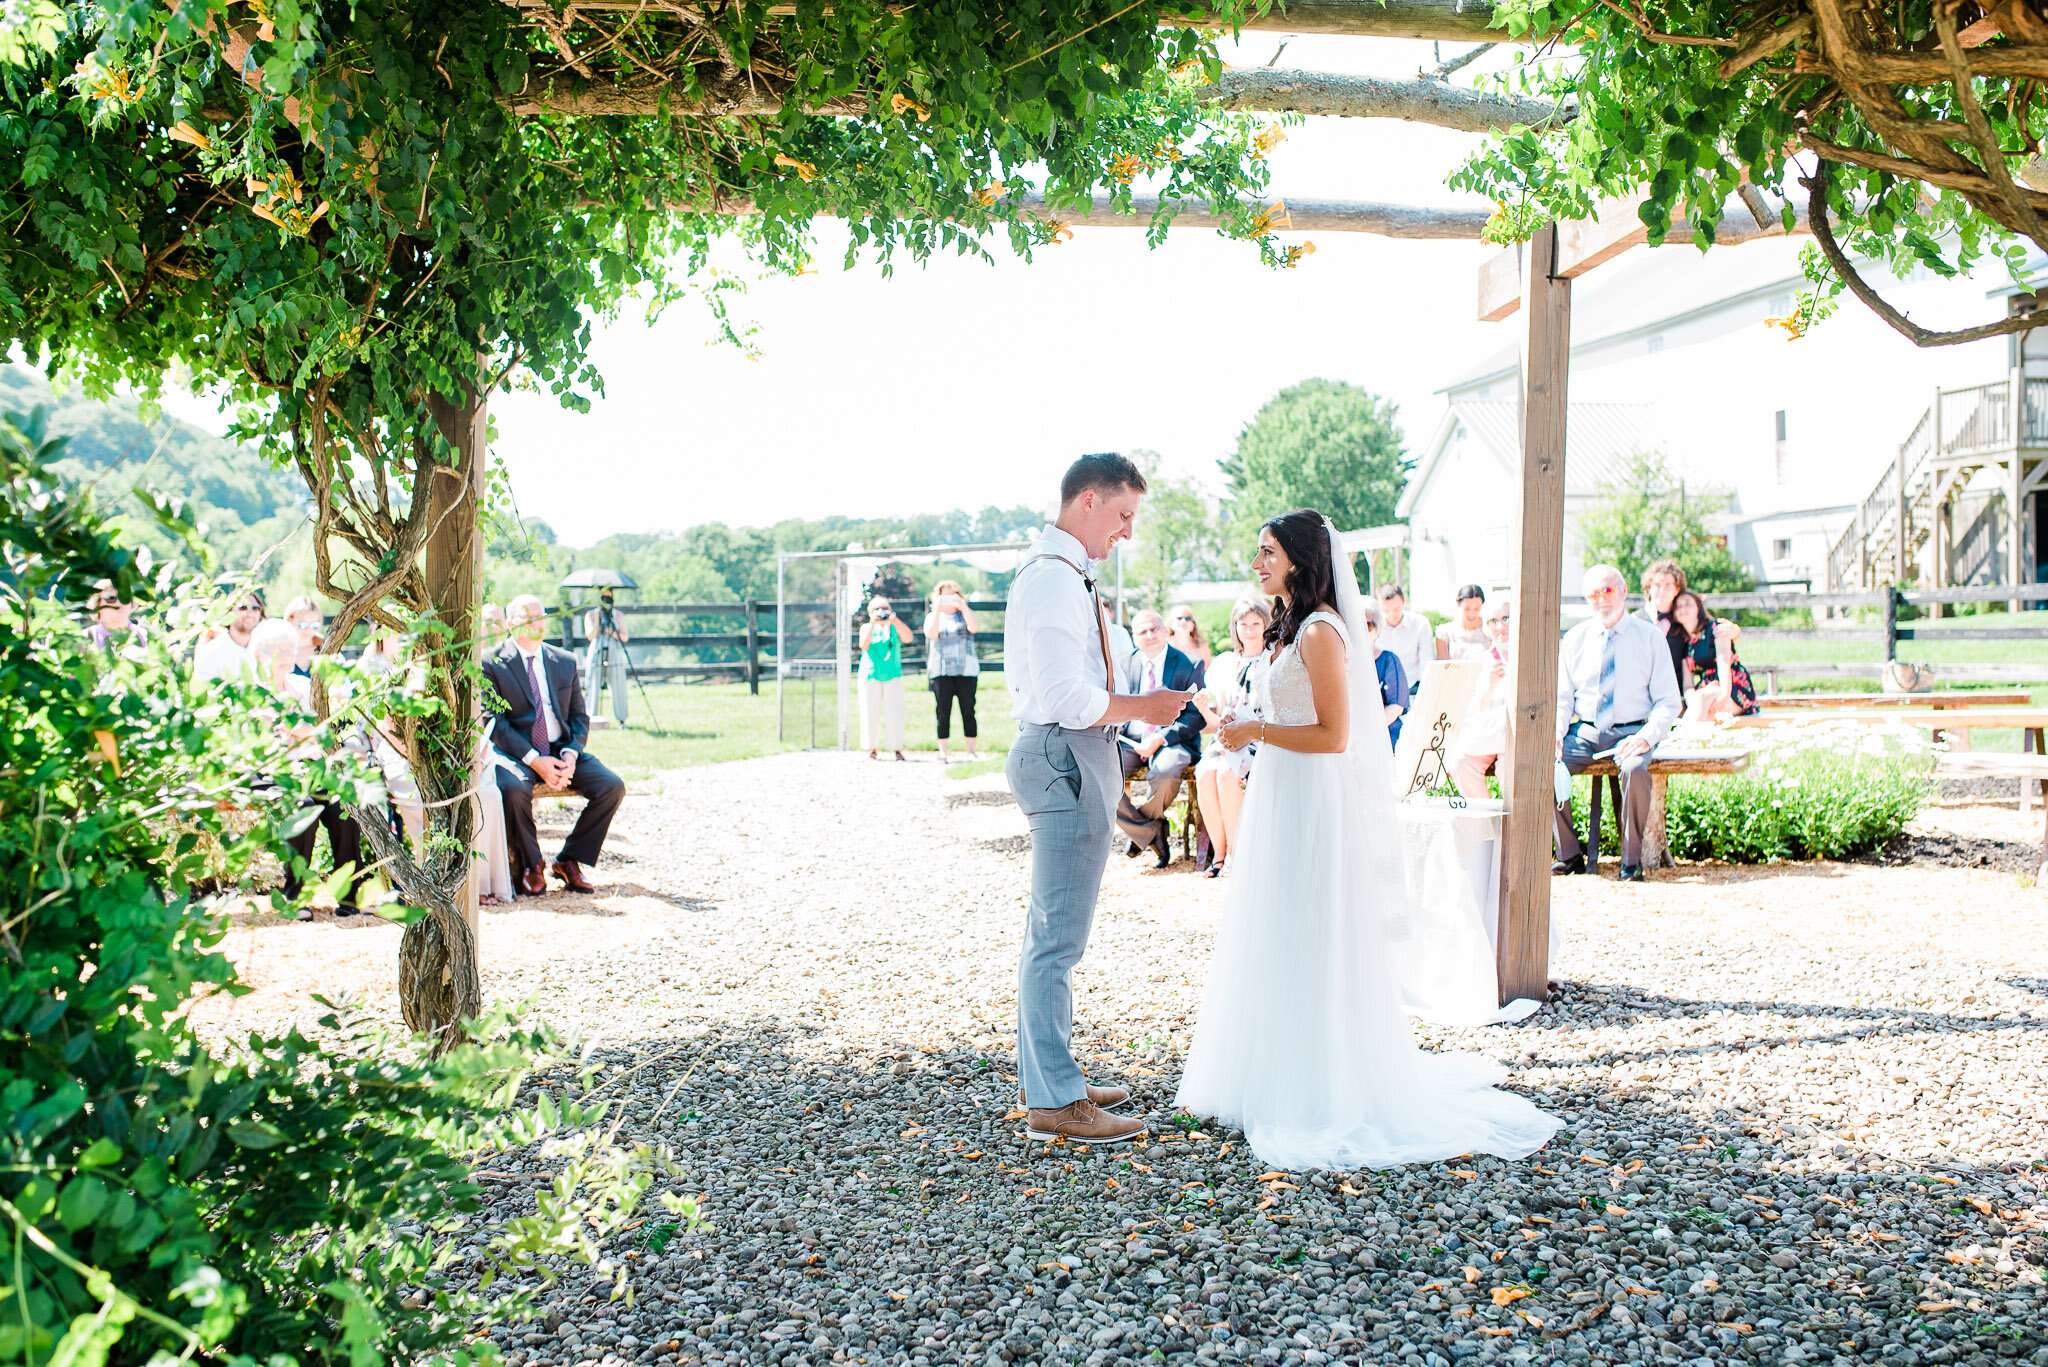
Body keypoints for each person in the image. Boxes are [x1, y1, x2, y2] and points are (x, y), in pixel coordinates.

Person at [1175, 509, 1559, 1169]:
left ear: (1300, 556)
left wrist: (1257, 732)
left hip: (1310, 795)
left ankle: (1318, 1078)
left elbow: (1334, 735)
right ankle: (1267, 1065)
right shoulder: (1285, 626)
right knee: (1274, 923)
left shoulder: (1324, 630)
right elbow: (1289, 710)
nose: (1259, 561)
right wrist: (1246, 721)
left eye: (1269, 551)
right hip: (1279, 791)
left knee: (1309, 924)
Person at [1004, 452, 1192, 1146]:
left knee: (1049, 937)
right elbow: (1065, 698)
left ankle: (1048, 1076)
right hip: (1065, 750)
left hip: (1068, 753)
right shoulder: (1054, 580)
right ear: (1087, 500)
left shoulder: (1063, 577)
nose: (1127, 533)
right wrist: (1145, 704)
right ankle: (1054, 1098)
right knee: (1057, 941)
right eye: (1122, 515)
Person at [484, 594, 627, 896]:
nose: (538, 622)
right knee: (513, 790)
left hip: (561, 749)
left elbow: (579, 716)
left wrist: (571, 754)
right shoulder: (492, 662)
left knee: (612, 786)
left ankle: (569, 859)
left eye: (541, 615)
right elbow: (494, 722)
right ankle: (532, 864)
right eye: (529, 616)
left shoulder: (563, 661)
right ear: (510, 624)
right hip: (516, 753)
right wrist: (535, 759)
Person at [1552, 564, 1682, 882]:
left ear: (1624, 590)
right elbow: (1561, 698)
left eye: (1608, 590)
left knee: (1636, 769)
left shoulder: (1649, 637)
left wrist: (1647, 736)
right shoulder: (1575, 639)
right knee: (1543, 765)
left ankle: (1631, 861)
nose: (1601, 599)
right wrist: (1554, 735)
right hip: (1585, 731)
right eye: (1593, 594)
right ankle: (1569, 855)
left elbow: (1669, 701)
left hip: (1632, 730)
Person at [252, 618, 367, 911]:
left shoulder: (302, 686)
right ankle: (295, 896)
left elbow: (322, 730)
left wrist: (295, 731)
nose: (290, 655)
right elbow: (271, 744)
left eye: (291, 649)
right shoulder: (250, 693)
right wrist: (301, 732)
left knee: (345, 806)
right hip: (269, 773)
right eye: (282, 650)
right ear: (261, 654)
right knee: (302, 807)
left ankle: (349, 895)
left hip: (311, 768)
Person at [1114, 609, 1207, 868]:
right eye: (1142, 631)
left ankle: (1142, 831)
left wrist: (1160, 738)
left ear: (1165, 630)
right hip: (1130, 741)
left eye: (1154, 628)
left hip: (1173, 741)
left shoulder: (1190, 664)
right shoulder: (1123, 664)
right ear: (1134, 637)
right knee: (1101, 776)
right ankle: (1151, 831)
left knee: (1165, 774)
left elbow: (1195, 717)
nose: (1150, 635)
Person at [1191, 598, 1270, 879]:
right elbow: (1218, 722)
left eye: (1255, 624)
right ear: (1235, 627)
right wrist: (1203, 709)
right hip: (1227, 740)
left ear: (1265, 625)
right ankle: (1219, 854)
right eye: (1243, 624)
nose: (1249, 630)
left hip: (1258, 737)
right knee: (1205, 773)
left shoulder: (1271, 661)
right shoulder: (1229, 664)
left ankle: (1238, 856)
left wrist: (1241, 736)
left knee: (1227, 774)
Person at [1635, 558, 1738, 693]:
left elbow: (1708, 634)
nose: (1662, 590)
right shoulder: (1636, 621)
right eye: (1657, 584)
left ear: (1677, 589)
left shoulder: (1683, 619)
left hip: (1676, 694)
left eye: (1668, 585)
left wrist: (1735, 631)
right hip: (1641, 692)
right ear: (1649, 587)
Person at [1449, 597, 1514, 800]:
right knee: (1461, 763)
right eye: (1493, 622)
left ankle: (1514, 828)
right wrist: (1490, 687)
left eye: (1505, 618)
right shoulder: (1483, 661)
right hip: (1488, 734)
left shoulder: (1527, 656)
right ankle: (1486, 828)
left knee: (1508, 768)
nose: (1500, 626)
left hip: (1515, 736)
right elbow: (1471, 710)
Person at [1671, 589, 1759, 720]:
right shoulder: (1686, 644)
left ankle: (1683, 738)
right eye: (1678, 606)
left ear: (1698, 607)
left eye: (1688, 603)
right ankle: (1687, 738)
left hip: (1731, 687)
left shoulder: (1716, 628)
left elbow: (1724, 663)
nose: (1683, 608)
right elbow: (1688, 685)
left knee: (1703, 700)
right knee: (1697, 704)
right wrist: (1691, 699)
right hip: (1706, 690)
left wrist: (1724, 695)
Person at [923, 580, 981, 763]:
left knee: (968, 710)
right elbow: (932, 634)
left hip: (966, 670)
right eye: (944, 596)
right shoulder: (933, 616)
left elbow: (974, 628)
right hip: (941, 670)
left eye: (951, 596)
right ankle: (943, 752)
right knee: (942, 711)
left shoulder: (965, 614)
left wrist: (963, 606)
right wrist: (938, 609)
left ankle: (971, 750)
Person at [859, 595, 912, 761]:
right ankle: (871, 748)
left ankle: (896, 747)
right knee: (870, 711)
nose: (881, 612)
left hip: (892, 675)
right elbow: (863, 645)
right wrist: (873, 624)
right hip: (870, 674)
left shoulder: (894, 627)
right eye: (876, 609)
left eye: (884, 608)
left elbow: (909, 638)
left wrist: (895, 621)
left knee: (895, 712)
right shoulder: (867, 627)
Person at [1357, 597, 1408, 747]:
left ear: (1377, 628)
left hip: (1385, 738)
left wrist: (1366, 733)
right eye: (1356, 624)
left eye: (1368, 625)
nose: (1362, 630)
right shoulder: (1340, 662)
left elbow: (1396, 707)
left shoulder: (1389, 660)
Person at [582, 588, 631, 726]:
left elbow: (624, 637)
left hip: (614, 649)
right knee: (593, 680)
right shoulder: (591, 614)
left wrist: (611, 632)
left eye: (608, 596)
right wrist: (597, 622)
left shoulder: (617, 615)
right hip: (597, 647)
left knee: (618, 680)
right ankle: (590, 717)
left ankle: (622, 717)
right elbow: (590, 636)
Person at [195, 588, 265, 681]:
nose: (250, 613)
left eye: (255, 608)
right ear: (228, 612)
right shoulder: (211, 654)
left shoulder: (265, 649)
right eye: (243, 608)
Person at [1374, 583, 1429, 698]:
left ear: (1404, 601)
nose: (1391, 615)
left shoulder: (1420, 624)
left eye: (1396, 609)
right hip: (1381, 690)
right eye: (1385, 610)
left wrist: (1426, 691)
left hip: (1414, 687)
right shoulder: (1373, 627)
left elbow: (1427, 661)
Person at [86, 580, 148, 651]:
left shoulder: (145, 637)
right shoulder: (85, 638)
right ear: (97, 604)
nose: (119, 603)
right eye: (111, 598)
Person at [1435, 584, 1491, 660]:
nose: (1471, 614)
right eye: (1467, 609)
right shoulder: (1445, 633)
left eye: (1476, 609)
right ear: (1458, 604)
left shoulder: (1489, 629)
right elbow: (1442, 666)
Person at [1166, 603, 1210, 684]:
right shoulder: (1165, 645)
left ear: (1193, 625)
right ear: (1171, 624)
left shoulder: (1201, 646)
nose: (1183, 621)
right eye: (1179, 618)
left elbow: (1207, 673)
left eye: (1187, 618)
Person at [282, 594, 323, 677]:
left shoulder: (325, 648)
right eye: (303, 624)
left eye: (314, 625)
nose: (309, 630)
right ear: (290, 620)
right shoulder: (280, 649)